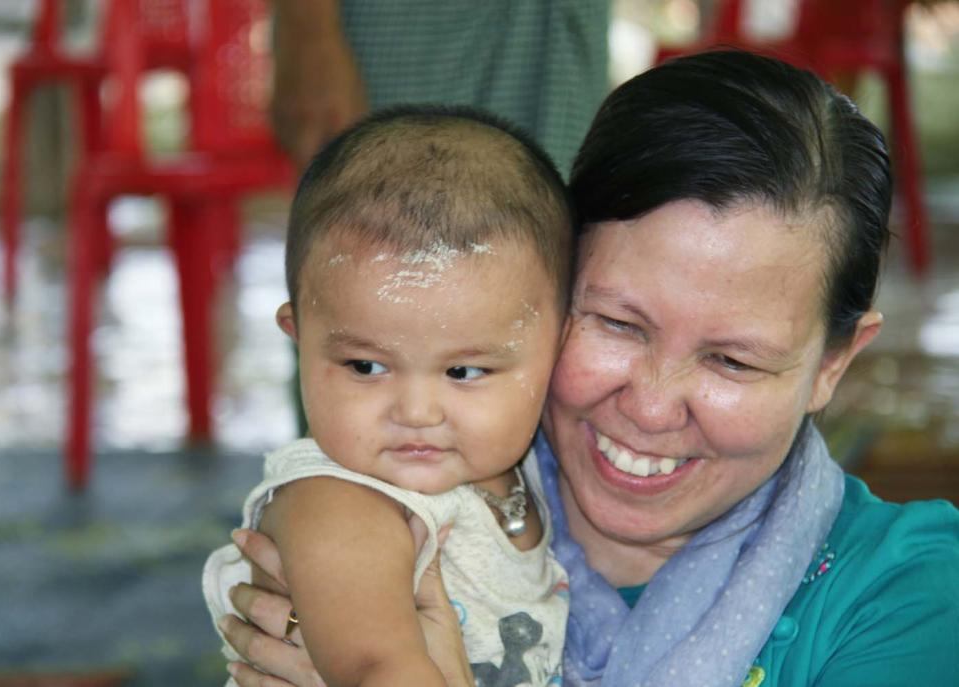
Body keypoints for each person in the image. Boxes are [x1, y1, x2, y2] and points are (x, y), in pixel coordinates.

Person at [215, 49, 959, 687]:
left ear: (834, 362)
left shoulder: (905, 595)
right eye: (616, 323)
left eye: (732, 359)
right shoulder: (389, 500)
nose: (653, 405)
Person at [204, 105, 577, 686]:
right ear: (298, 341)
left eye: (465, 372)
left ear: (558, 347)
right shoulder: (341, 501)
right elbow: (377, 668)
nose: (417, 413)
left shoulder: (523, 470)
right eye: (366, 365)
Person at [270, 0, 610, 176]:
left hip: (564, 37)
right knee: (391, 226)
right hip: (413, 35)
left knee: (553, 241)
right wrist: (309, 33)